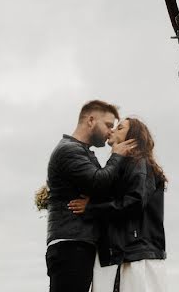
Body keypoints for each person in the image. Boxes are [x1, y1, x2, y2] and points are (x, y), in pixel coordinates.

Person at [46, 100, 137, 292]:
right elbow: (99, 183)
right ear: (91, 120)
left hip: (78, 244)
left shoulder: (83, 151)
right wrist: (117, 155)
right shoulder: (69, 150)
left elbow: (102, 189)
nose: (109, 132)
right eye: (108, 125)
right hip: (71, 244)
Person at [69, 116, 168, 292]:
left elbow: (135, 202)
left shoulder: (139, 164)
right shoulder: (120, 167)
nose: (113, 130)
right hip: (117, 254)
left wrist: (90, 208)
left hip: (134, 254)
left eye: (120, 128)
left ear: (133, 138)